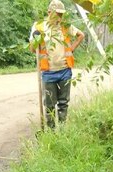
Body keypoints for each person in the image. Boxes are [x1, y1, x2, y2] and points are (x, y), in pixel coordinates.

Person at [29, 0, 84, 129]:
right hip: (48, 73)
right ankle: (52, 132)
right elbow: (32, 49)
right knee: (49, 105)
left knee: (63, 103)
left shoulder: (65, 25)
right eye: (57, 14)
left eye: (61, 14)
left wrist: (71, 49)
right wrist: (36, 39)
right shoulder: (39, 27)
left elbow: (81, 35)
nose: (59, 17)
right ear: (49, 13)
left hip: (65, 71)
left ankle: (63, 130)